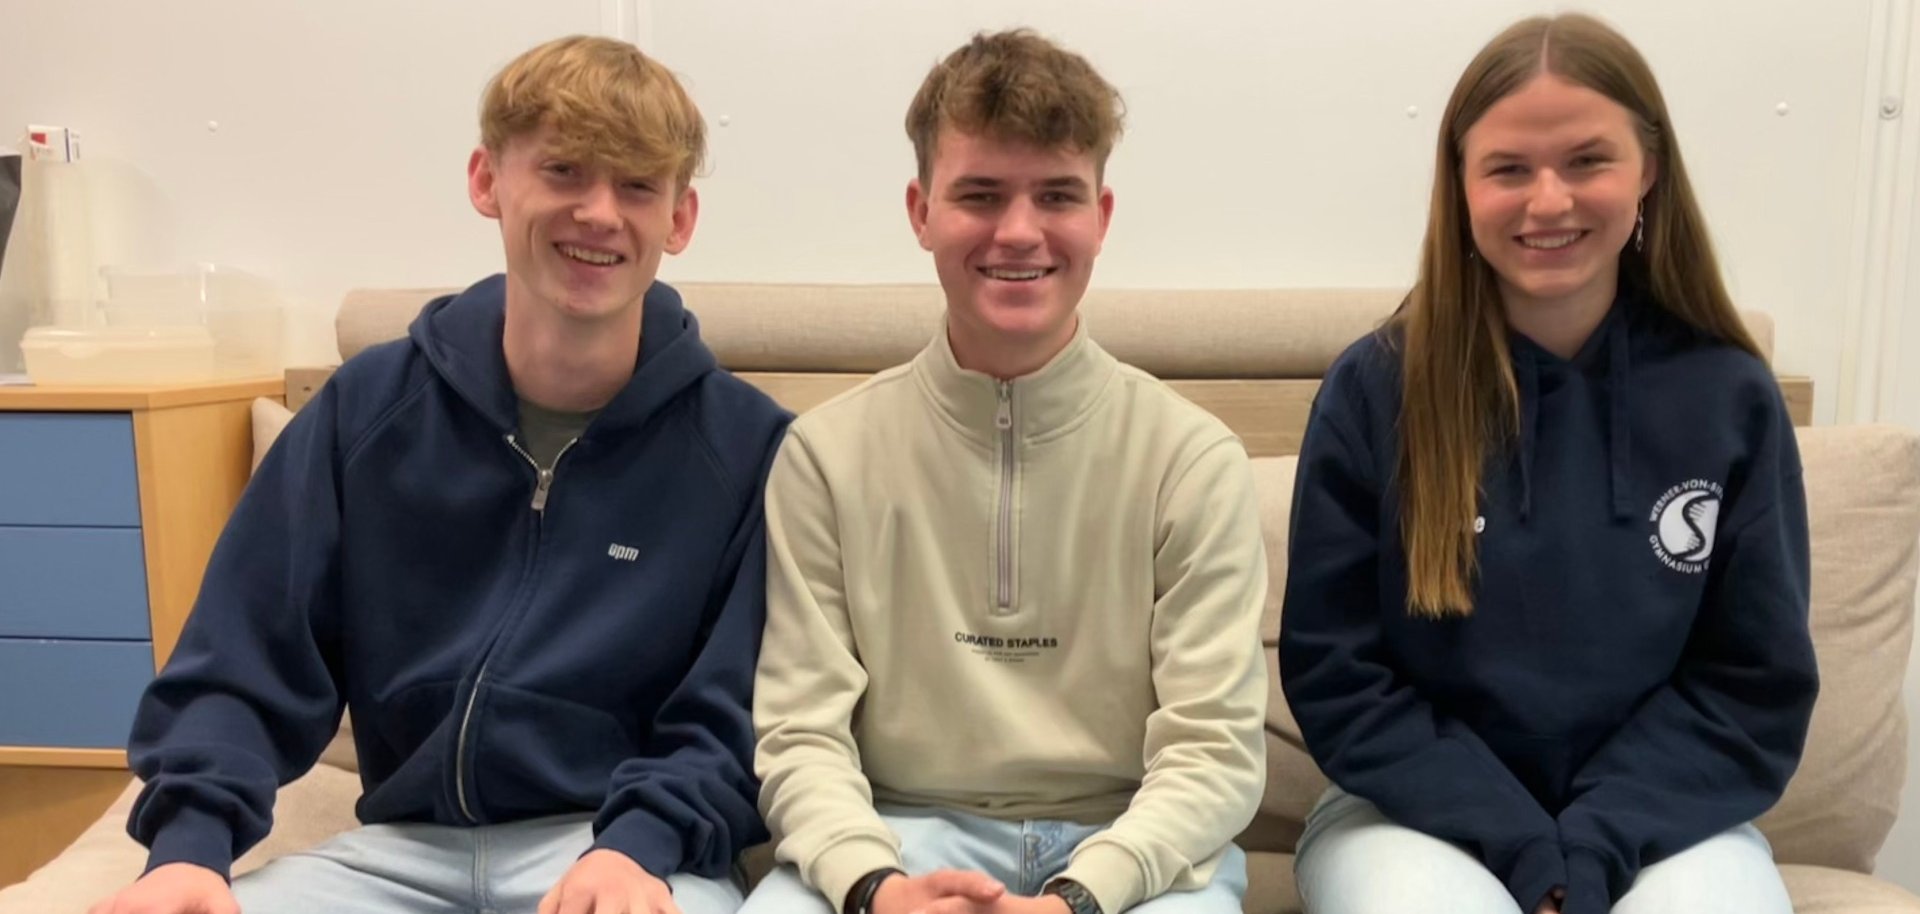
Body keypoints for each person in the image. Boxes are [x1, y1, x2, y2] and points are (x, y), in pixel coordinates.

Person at [87, 35, 788, 914]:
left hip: (620, 852)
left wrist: (638, 847)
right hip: (396, 853)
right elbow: (241, 660)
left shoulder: (749, 450)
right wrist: (189, 849)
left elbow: (736, 718)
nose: (599, 213)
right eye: (564, 170)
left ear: (680, 220)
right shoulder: (364, 410)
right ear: (487, 180)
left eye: (638, 186)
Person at [1278, 13, 1817, 914]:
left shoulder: (1729, 396)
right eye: (1509, 169)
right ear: (1459, 184)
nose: (1549, 201)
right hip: (1410, 817)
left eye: (1587, 160)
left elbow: (1751, 686)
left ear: (1649, 169)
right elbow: (1340, 677)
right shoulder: (1374, 390)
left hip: (1665, 821)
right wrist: (1524, 846)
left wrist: (1595, 842)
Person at [740, 28, 1269, 914]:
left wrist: (1080, 897)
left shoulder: (1192, 460)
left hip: (1134, 850)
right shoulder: (826, 456)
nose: (1019, 232)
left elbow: (1213, 750)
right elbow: (800, 736)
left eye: (1056, 195)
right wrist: (875, 885)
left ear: (1101, 216)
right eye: (980, 195)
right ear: (921, 212)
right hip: (895, 836)